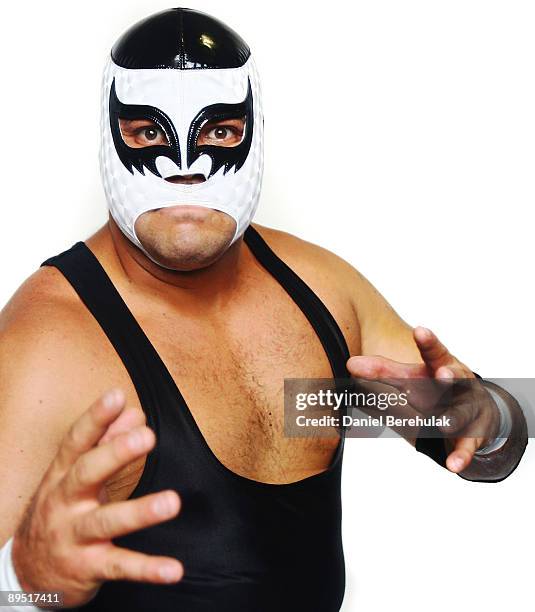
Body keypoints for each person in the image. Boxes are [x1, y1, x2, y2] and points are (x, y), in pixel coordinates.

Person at [0, 8, 527, 612]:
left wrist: (486, 418)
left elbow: (486, 444)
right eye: (148, 133)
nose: (184, 166)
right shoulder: (47, 345)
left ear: (252, 131)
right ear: (108, 133)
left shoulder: (319, 288)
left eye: (218, 133)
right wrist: (23, 580)